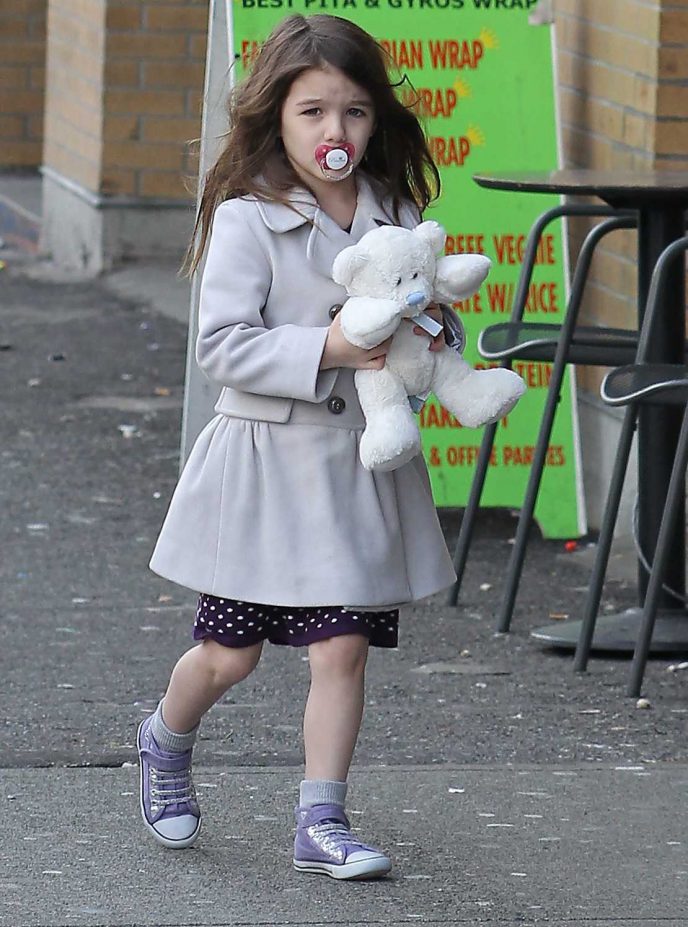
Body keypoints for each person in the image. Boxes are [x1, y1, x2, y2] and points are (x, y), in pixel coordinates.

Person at [138, 13, 458, 881]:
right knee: (228, 654)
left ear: (377, 118)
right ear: (276, 115)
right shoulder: (248, 218)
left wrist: (436, 331)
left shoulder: (396, 211)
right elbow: (221, 346)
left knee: (343, 645)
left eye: (354, 111)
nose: (334, 131)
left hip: (355, 466)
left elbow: (423, 305)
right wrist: (330, 347)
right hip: (266, 467)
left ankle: (322, 819)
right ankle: (165, 738)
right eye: (312, 111)